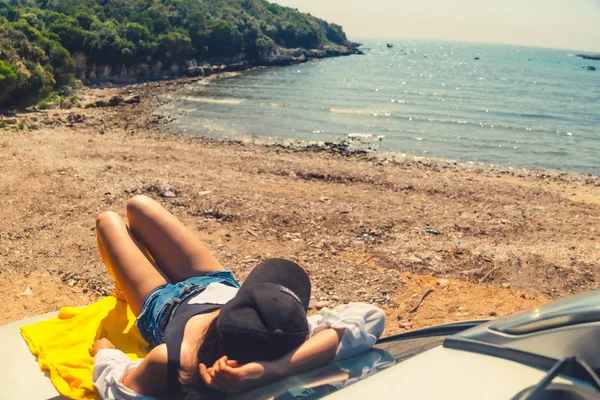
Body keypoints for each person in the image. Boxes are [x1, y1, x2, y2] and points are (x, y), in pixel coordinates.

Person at [91, 195, 385, 399]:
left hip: (161, 306)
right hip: (215, 280)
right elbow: (370, 317)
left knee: (108, 220)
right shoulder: (285, 335)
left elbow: (119, 388)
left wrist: (106, 352)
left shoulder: (173, 360)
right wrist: (273, 369)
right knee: (138, 206)